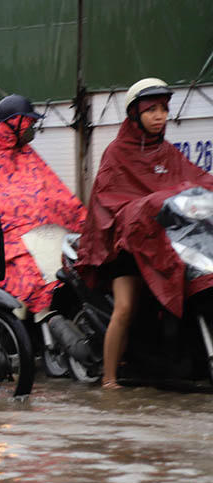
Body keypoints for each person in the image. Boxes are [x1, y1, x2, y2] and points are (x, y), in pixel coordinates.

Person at [75, 77, 213, 388]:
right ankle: (109, 379)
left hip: (164, 242)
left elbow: (197, 181)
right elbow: (108, 201)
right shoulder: (116, 153)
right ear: (134, 114)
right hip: (126, 245)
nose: (159, 116)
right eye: (151, 110)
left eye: (163, 109)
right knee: (125, 309)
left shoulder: (168, 153)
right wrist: (146, 207)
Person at [0, 94, 86, 313]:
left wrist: (82, 219)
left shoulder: (26, 152)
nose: (32, 130)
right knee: (31, 273)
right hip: (8, 235)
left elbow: (53, 188)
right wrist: (17, 206)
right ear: (14, 123)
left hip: (43, 232)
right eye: (29, 124)